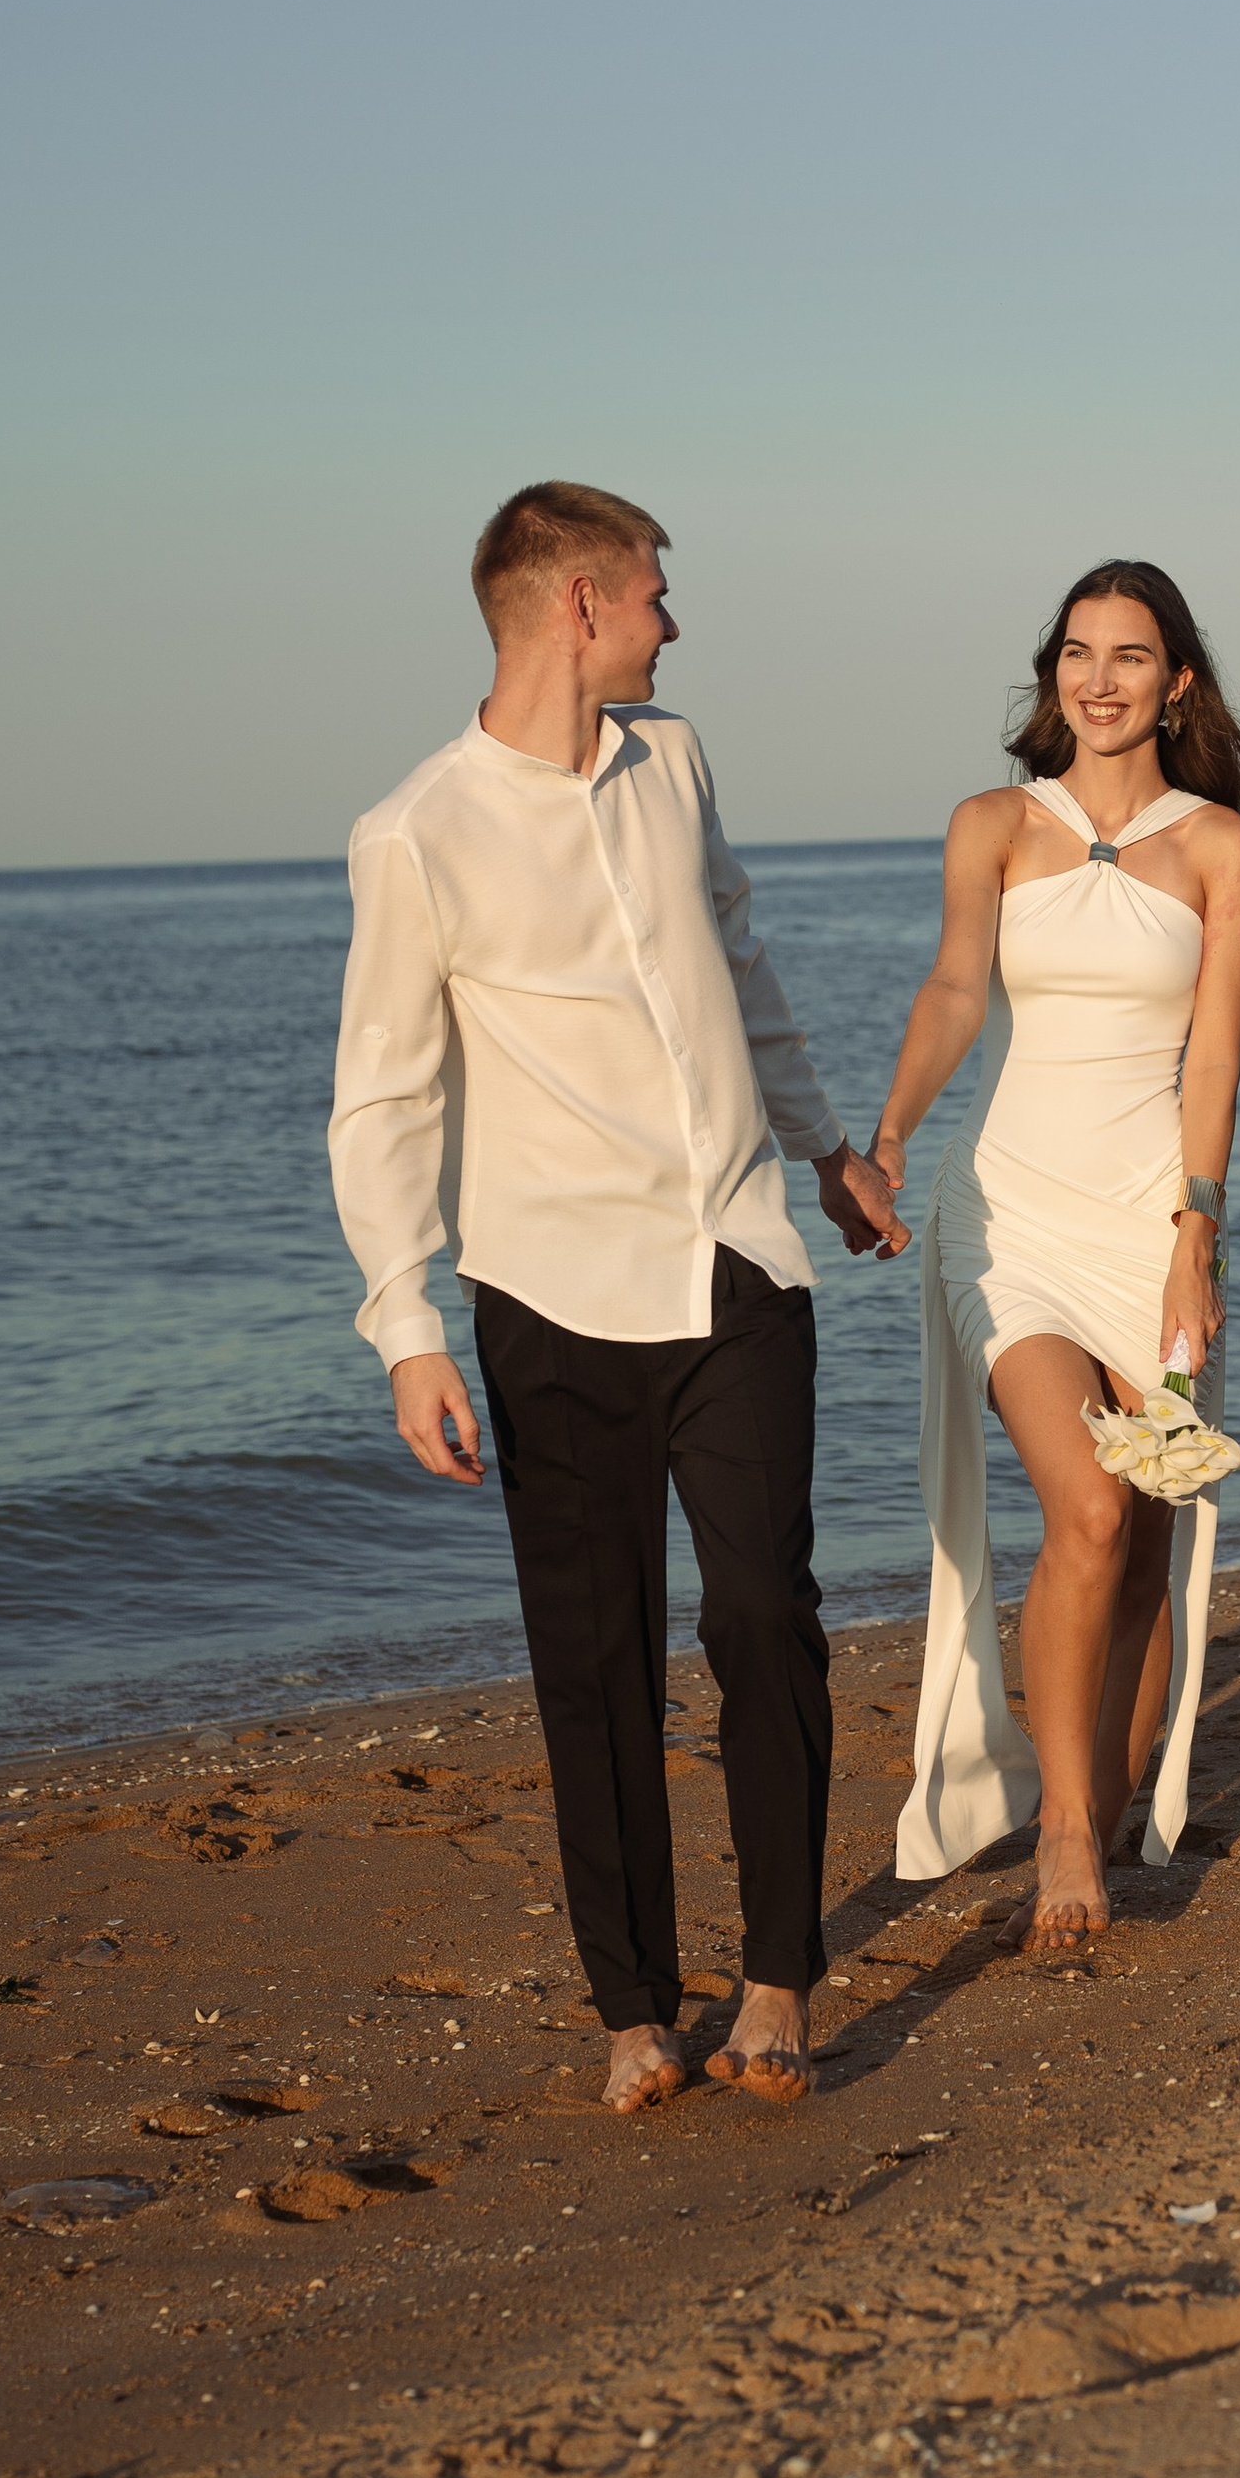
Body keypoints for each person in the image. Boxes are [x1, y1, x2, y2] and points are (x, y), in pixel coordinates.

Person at [327, 482, 901, 2114]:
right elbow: (384, 1104)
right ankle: (636, 2008)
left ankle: (780, 1975)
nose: (673, 619)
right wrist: (407, 1329)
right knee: (595, 1659)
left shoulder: (678, 761)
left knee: (760, 1618)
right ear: (577, 604)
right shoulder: (417, 830)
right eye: (655, 591)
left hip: (732, 1260)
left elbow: (744, 961)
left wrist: (830, 1151)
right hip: (549, 1294)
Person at [870, 560, 1240, 1947]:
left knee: (1147, 1538)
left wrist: (1194, 1241)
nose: (1101, 679)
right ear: (1054, 670)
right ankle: (1062, 1829)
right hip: (1010, 1216)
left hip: (1152, 1220)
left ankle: (1106, 1803)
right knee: (1087, 1511)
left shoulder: (1221, 846)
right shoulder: (992, 824)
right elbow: (954, 988)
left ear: (1179, 683)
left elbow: (1214, 1049)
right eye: (1079, 652)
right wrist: (888, 1133)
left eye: (1132, 656)